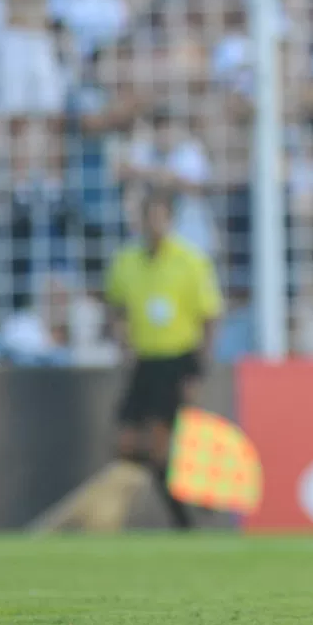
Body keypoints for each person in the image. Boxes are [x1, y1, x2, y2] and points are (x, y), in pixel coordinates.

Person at [104, 187, 223, 530]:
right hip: (144, 361)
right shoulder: (126, 261)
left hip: (177, 359)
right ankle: (191, 498)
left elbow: (210, 316)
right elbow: (115, 306)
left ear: (170, 220)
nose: (153, 224)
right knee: (125, 444)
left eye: (159, 217)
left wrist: (198, 369)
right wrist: (121, 339)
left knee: (158, 443)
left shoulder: (190, 261)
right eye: (148, 217)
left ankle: (183, 517)